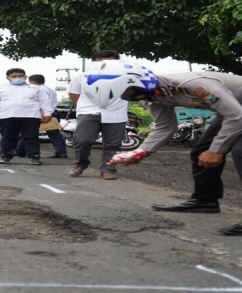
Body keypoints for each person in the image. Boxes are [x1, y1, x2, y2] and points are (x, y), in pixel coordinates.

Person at [82, 59, 242, 236]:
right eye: (126, 96)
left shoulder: (194, 85)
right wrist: (141, 151)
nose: (130, 97)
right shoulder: (149, 96)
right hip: (233, 112)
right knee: (199, 153)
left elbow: (236, 117)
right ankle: (205, 200)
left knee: (239, 152)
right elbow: (165, 126)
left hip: (236, 113)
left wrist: (217, 150)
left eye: (130, 92)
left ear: (139, 82)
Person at [67, 50, 126, 180]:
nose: (105, 64)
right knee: (82, 140)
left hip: (116, 113)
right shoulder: (81, 76)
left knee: (113, 144)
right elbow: (73, 95)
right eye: (100, 61)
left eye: (110, 61)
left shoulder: (126, 76)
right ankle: (80, 164)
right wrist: (90, 104)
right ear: (93, 62)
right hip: (88, 112)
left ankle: (108, 169)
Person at [0, 68, 53, 165]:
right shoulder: (0, 88)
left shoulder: (36, 88)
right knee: (8, 137)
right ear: (7, 78)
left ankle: (34, 157)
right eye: (14, 76)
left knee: (31, 137)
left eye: (20, 76)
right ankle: (6, 156)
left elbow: (45, 101)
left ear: (25, 76)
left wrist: (47, 113)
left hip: (31, 116)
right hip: (7, 115)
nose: (17, 78)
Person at [16, 74, 67, 158]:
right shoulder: (50, 90)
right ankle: (61, 152)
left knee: (29, 132)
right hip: (53, 112)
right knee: (54, 134)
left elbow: (42, 103)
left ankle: (21, 150)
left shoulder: (38, 90)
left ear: (32, 82)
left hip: (42, 113)